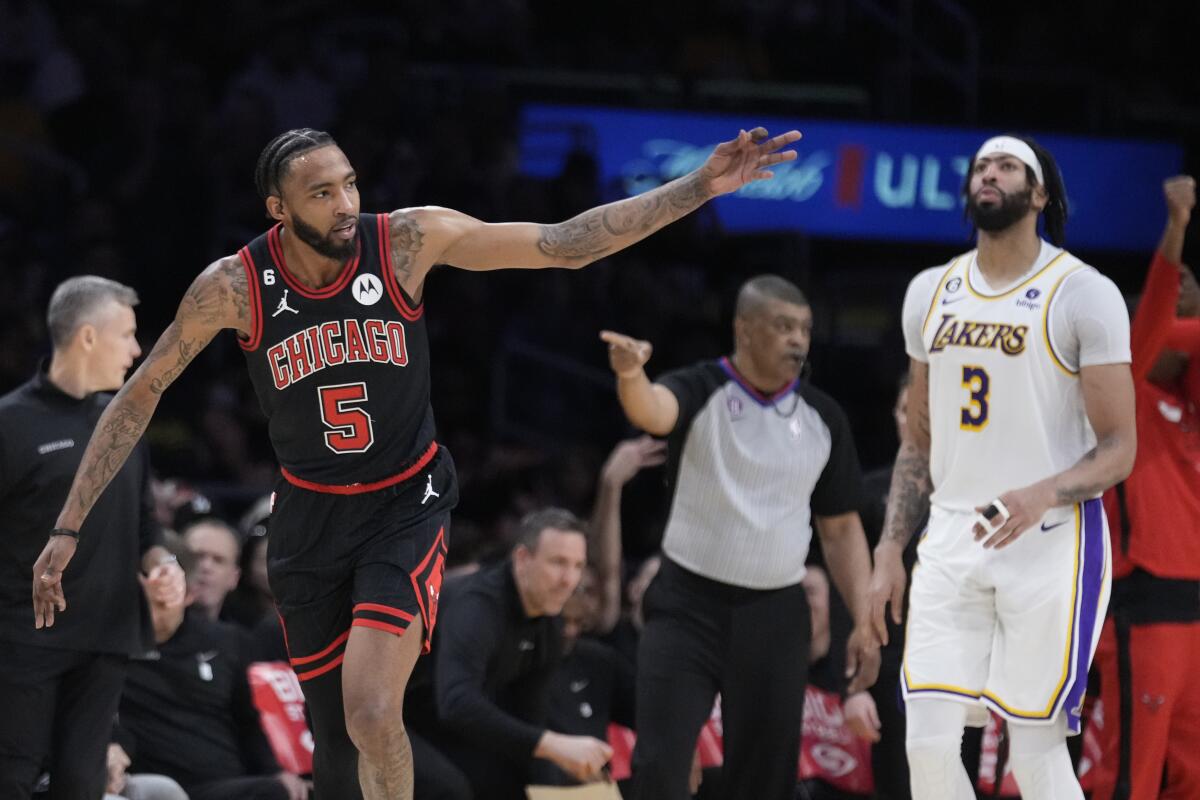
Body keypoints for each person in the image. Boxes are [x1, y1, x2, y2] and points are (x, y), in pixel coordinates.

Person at [30, 124, 801, 799]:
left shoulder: (404, 240)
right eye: (322, 192)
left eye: (349, 183)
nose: (343, 203)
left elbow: (564, 244)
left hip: (406, 501)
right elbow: (138, 397)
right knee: (336, 744)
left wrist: (700, 185)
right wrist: (67, 529)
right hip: (308, 519)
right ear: (279, 210)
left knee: (372, 711)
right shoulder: (235, 286)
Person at [869, 135, 1137, 800]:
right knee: (926, 747)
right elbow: (918, 438)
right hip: (954, 533)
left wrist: (1040, 494)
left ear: (1040, 193)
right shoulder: (929, 291)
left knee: (1034, 756)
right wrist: (889, 548)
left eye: (1008, 165)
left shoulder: (1083, 294)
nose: (989, 173)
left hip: (1049, 540)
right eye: (982, 165)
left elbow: (1120, 448)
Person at [601, 273, 880, 800]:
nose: (798, 339)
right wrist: (631, 374)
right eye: (782, 326)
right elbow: (653, 410)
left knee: (765, 781)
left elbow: (841, 530)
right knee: (660, 766)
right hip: (687, 608)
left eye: (804, 328)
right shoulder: (703, 387)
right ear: (744, 330)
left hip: (775, 617)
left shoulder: (825, 417)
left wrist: (864, 619)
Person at [0, 276, 183, 800]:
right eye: (126, 334)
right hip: (22, 641)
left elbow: (145, 522)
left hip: (105, 639)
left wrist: (163, 562)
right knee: (11, 779)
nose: (136, 349)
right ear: (86, 337)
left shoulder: (122, 421)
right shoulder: (11, 424)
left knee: (83, 788)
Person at [1091, 175, 1200, 800]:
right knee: (1129, 779)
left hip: (1194, 615)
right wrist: (1177, 232)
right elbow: (1156, 326)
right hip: (1146, 611)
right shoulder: (1123, 394)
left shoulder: (1189, 409)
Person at [406, 508, 611, 800]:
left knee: (532, 780)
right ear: (523, 559)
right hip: (387, 716)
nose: (570, 580)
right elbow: (456, 703)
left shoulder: (549, 622)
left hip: (437, 723)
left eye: (578, 565)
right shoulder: (478, 607)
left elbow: (530, 717)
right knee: (448, 790)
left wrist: (564, 771)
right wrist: (554, 745)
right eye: (558, 563)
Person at [116, 542, 310, 800]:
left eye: (165, 597)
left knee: (290, 790)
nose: (151, 609)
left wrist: (275, 770)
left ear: (189, 593)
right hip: (154, 784)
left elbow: (249, 719)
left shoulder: (227, 641)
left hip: (228, 783)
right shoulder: (111, 649)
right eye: (143, 598)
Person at [181, 517, 242, 621]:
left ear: (234, 578)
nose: (206, 567)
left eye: (218, 560)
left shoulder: (241, 636)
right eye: (197, 556)